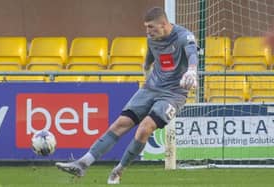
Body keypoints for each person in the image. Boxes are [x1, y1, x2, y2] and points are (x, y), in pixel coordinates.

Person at [56, 6, 198, 184]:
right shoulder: (151, 39)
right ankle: (83, 163)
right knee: (120, 124)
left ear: (163, 24)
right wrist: (146, 68)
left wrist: (191, 71)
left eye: (151, 27)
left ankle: (119, 169)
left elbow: (192, 54)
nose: (147, 31)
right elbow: (150, 57)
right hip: (151, 88)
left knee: (144, 128)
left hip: (173, 94)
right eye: (146, 27)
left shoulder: (184, 36)